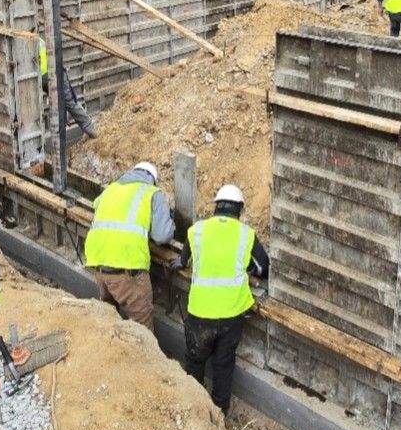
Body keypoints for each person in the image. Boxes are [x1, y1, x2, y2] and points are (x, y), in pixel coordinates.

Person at [173, 185, 269, 415]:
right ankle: (219, 412)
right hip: (230, 314)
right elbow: (263, 267)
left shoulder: (196, 231)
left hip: (199, 312)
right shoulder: (246, 234)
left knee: (195, 361)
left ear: (216, 206)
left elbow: (182, 261)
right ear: (240, 210)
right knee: (223, 364)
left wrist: (180, 263)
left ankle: (194, 410)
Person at [83, 161, 174, 332]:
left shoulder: (110, 189)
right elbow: (162, 235)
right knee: (143, 332)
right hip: (127, 271)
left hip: (100, 268)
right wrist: (169, 219)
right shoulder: (152, 193)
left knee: (108, 320)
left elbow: (99, 207)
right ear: (152, 179)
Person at [39, 40, 98, 138]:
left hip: (40, 78)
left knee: (56, 104)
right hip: (54, 73)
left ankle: (58, 135)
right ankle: (88, 127)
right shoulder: (39, 41)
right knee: (69, 101)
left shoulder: (27, 43)